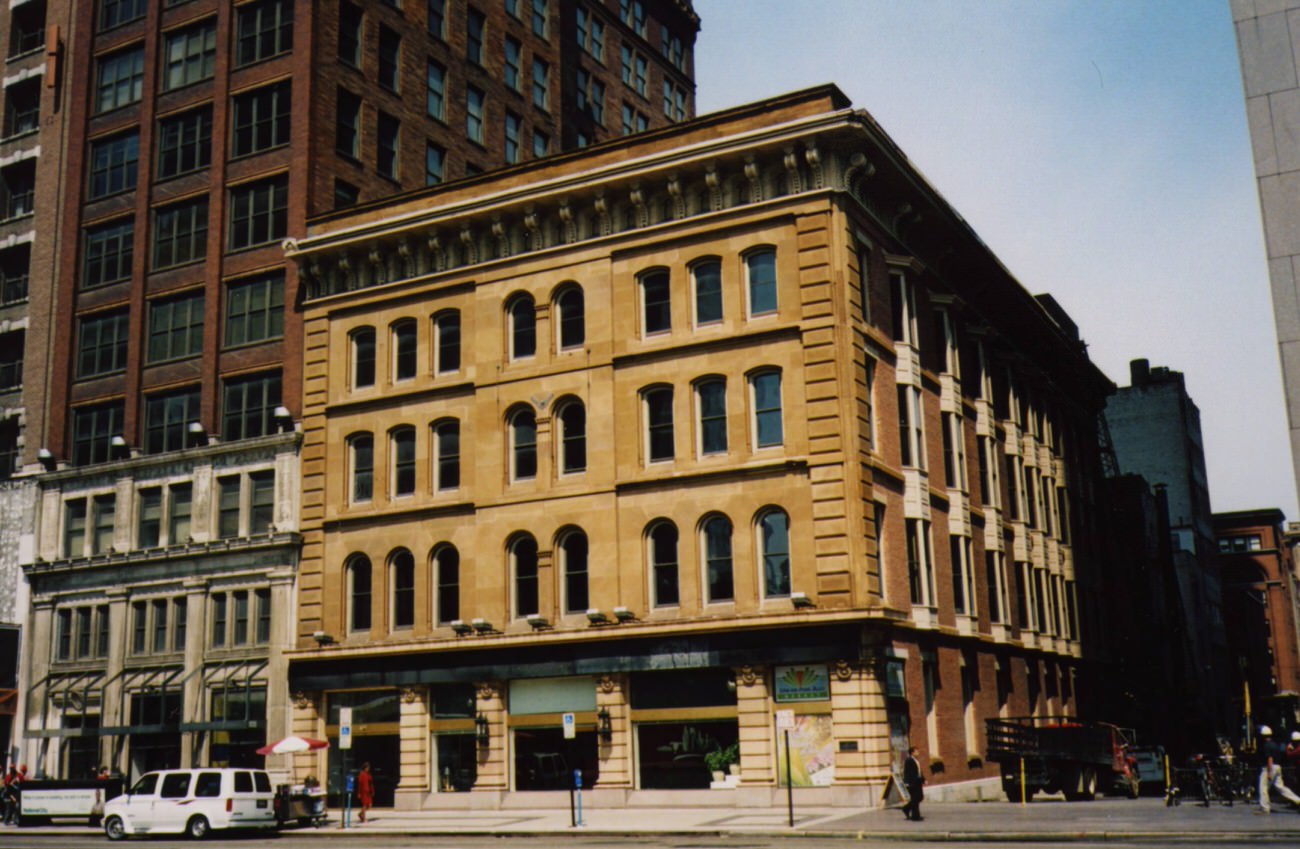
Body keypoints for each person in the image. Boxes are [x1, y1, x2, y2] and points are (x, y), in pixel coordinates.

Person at [1257, 725, 1300, 813]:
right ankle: (1297, 800)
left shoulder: (1266, 745)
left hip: (1269, 767)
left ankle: (1264, 808)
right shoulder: (1274, 744)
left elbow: (1270, 758)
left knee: (1263, 787)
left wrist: (1269, 772)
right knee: (1281, 788)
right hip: (1278, 767)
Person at [901, 747, 925, 821]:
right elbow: (907, 772)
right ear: (912, 753)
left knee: (920, 797)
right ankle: (915, 816)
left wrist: (924, 779)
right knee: (915, 799)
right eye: (916, 751)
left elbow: (919, 771)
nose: (918, 752)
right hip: (912, 782)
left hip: (918, 782)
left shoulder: (916, 760)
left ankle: (906, 808)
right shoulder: (908, 761)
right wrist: (906, 782)